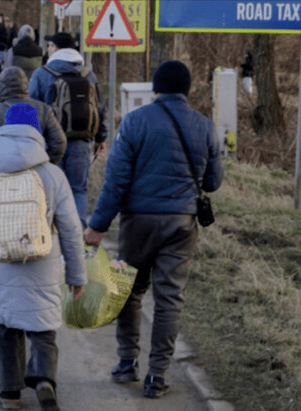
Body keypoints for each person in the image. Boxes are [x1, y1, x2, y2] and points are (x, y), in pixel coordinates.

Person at [84, 60, 224, 399]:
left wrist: (97, 226)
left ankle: (126, 363)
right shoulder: (206, 126)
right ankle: (157, 376)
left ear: (156, 88)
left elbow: (116, 182)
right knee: (169, 299)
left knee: (130, 292)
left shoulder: (134, 122)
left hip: (138, 222)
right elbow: (213, 181)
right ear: (187, 90)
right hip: (181, 223)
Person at [0, 103, 86, 411]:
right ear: (37, 133)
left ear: (4, 129)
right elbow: (72, 229)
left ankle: (10, 395)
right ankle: (44, 379)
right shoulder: (53, 175)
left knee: (8, 329)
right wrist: (76, 276)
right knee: (43, 329)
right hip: (43, 264)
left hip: (3, 263)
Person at [29, 31, 107, 229]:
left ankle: (51, 235)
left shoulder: (42, 73)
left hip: (50, 143)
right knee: (78, 190)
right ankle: (78, 236)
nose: (48, 49)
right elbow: (100, 108)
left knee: (50, 189)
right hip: (81, 141)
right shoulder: (89, 74)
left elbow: (32, 108)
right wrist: (100, 137)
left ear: (55, 48)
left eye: (50, 46)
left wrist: (33, 140)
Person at [0, 66, 66, 191]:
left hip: (2, 176)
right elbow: (59, 142)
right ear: (25, 85)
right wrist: (45, 161)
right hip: (35, 174)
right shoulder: (44, 109)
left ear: (0, 87)